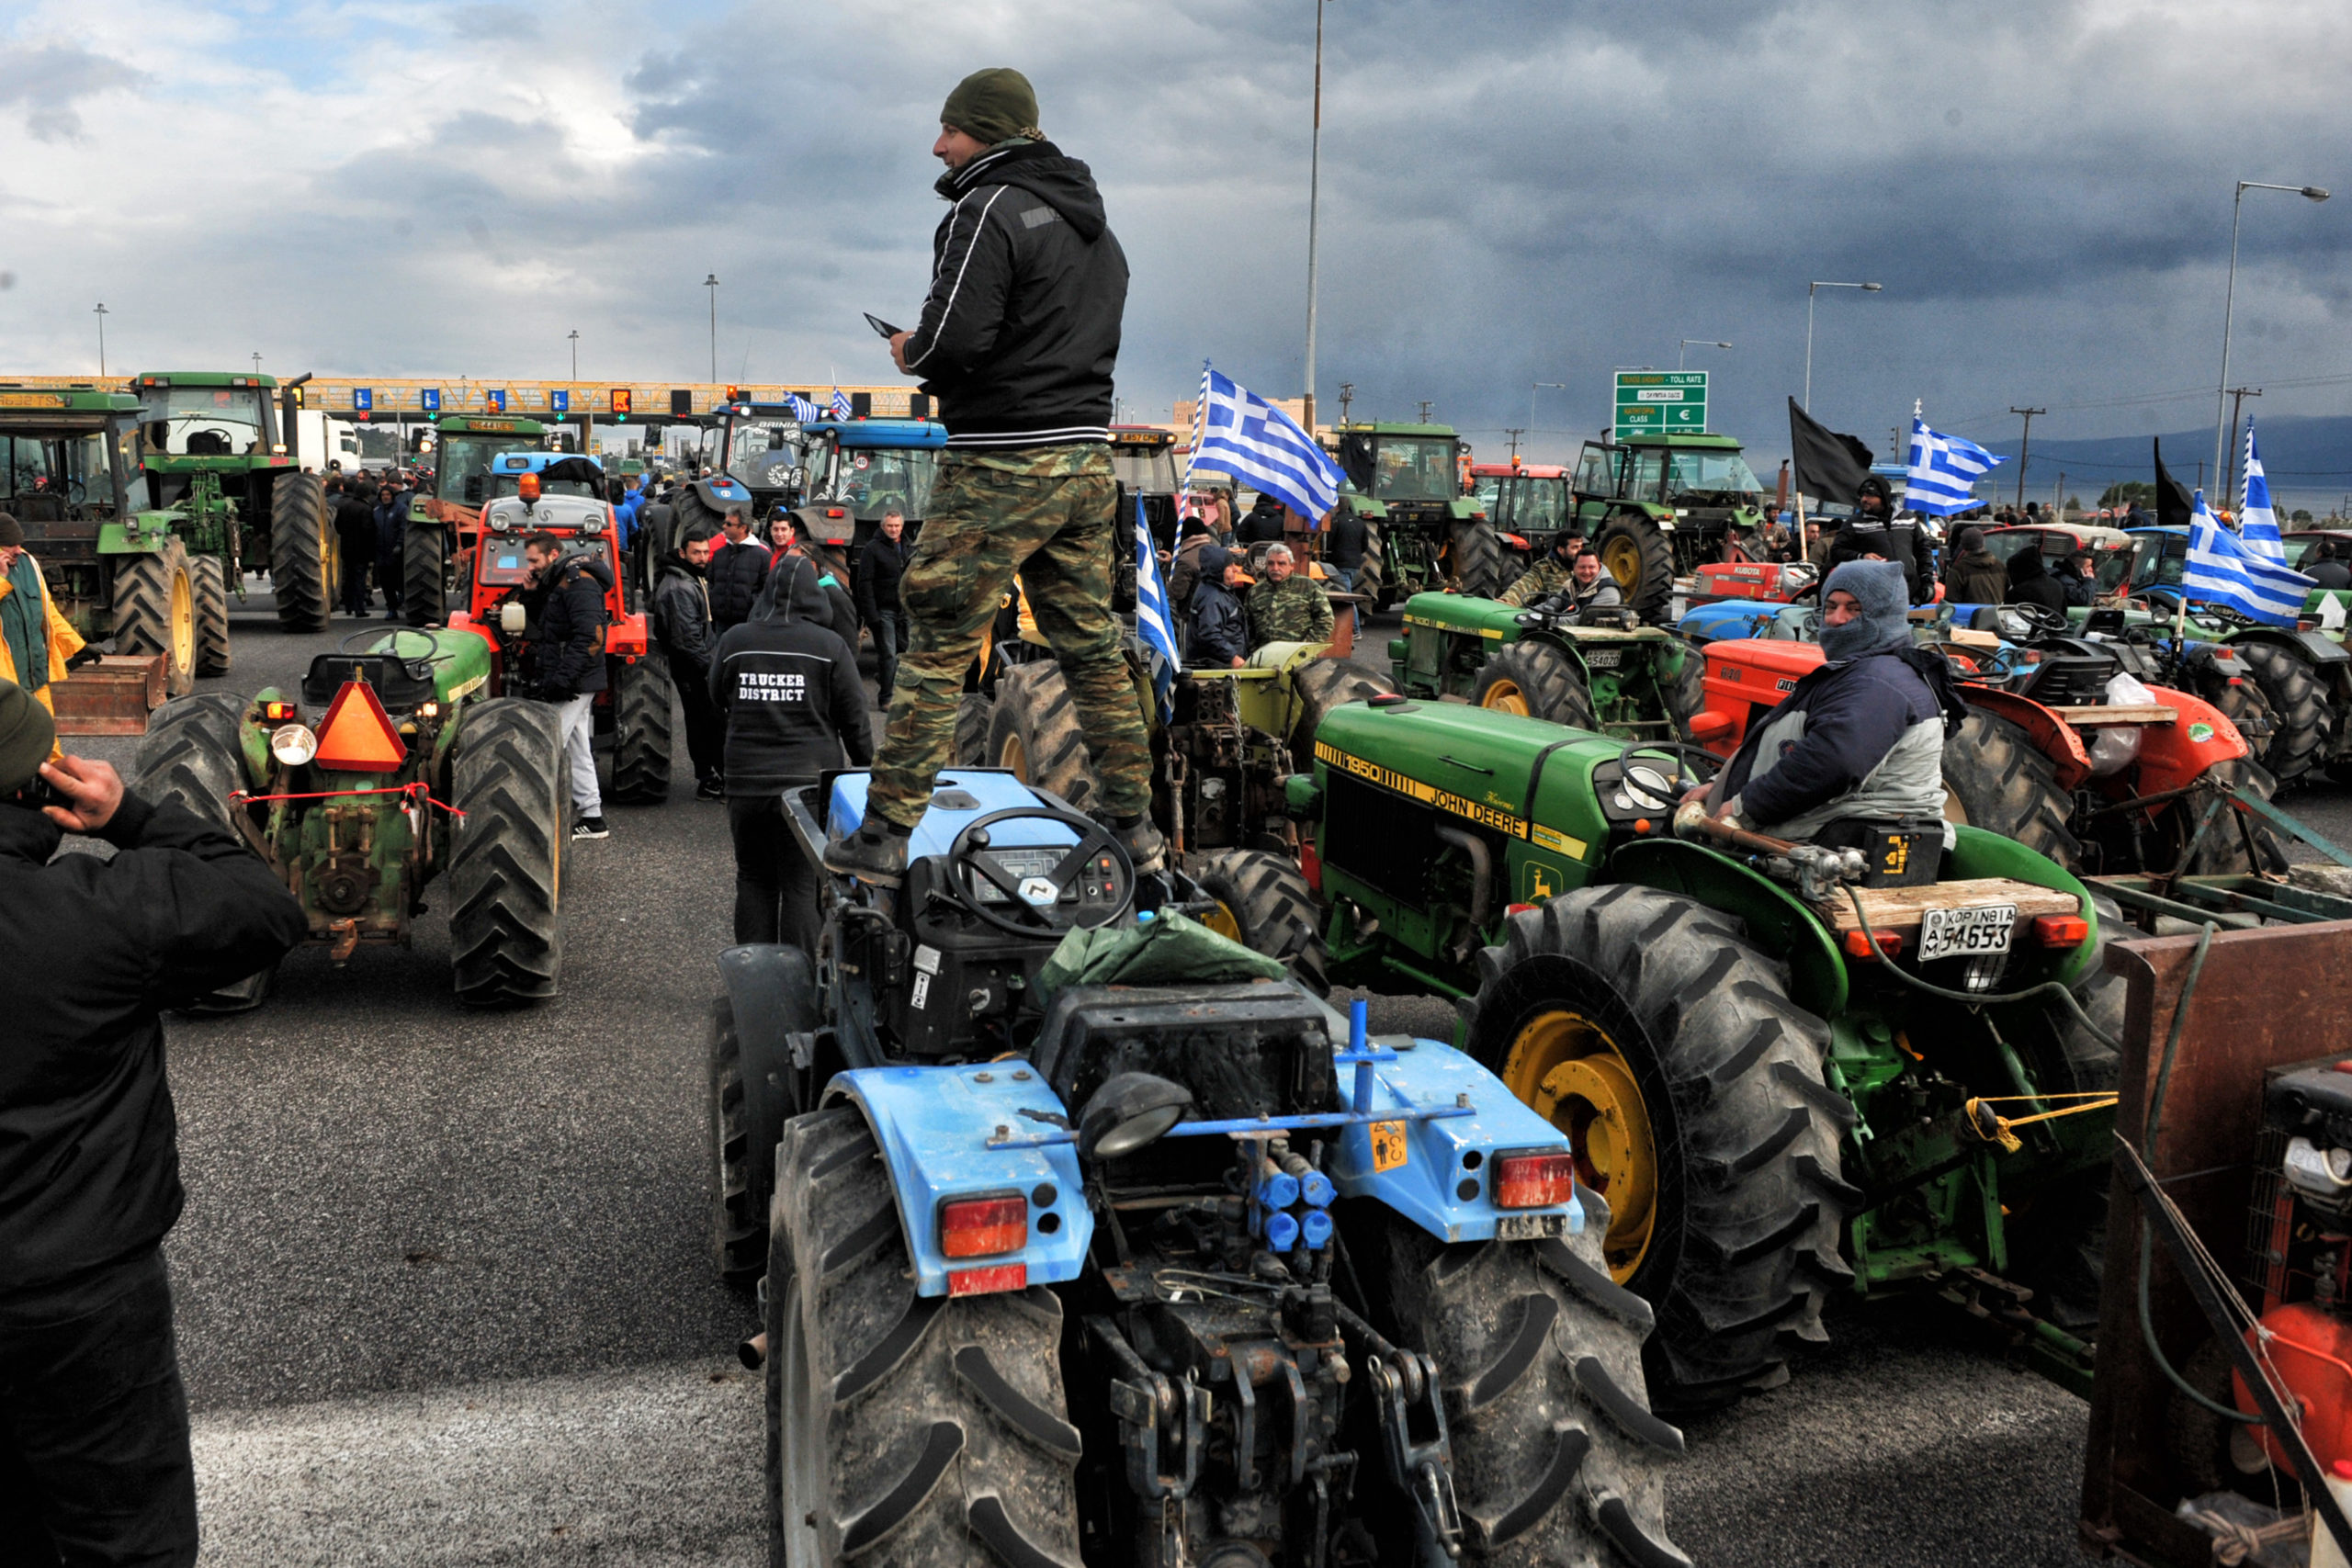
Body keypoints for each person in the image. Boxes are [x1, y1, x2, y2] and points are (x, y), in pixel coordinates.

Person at [0, 680, 307, 1566]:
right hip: (82, 1304)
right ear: (37, 791)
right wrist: (134, 815)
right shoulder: (99, 916)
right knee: (129, 1539)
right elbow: (265, 906)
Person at [829, 66, 1158, 885]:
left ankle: (882, 838)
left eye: (951, 130)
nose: (938, 146)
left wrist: (909, 350)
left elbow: (954, 345)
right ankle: (1137, 824)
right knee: (1091, 652)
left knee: (936, 644)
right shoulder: (1101, 235)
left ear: (991, 131)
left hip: (1003, 461)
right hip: (1087, 462)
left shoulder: (986, 211)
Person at [1695, 559, 1963, 843]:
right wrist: (1719, 787)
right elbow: (1789, 750)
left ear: (1885, 616)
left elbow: (1830, 764)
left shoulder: (1878, 682)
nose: (1836, 619)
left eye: (1854, 608)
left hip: (1834, 847)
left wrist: (1744, 808)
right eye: (1831, 607)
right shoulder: (1856, 673)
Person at [710, 555, 874, 953]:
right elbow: (855, 718)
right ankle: (799, 982)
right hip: (806, 785)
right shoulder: (829, 645)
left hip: (746, 781)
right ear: (813, 596)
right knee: (802, 884)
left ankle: (752, 980)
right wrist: (866, 767)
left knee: (753, 877)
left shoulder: (735, 640)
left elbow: (716, 697)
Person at [519, 531, 612, 840]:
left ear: (553, 555)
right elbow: (550, 626)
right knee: (576, 746)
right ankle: (592, 817)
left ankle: (531, 820)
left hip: (574, 679)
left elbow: (590, 636)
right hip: (572, 676)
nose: (530, 565)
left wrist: (563, 680)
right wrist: (531, 593)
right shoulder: (558, 582)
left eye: (534, 560)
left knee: (547, 744)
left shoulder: (578, 583)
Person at [653, 525, 726, 800]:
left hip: (698, 664)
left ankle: (713, 775)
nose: (703, 557)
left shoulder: (691, 578)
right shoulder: (680, 587)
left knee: (707, 721)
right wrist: (710, 669)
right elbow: (687, 639)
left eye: (706, 552)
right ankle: (708, 779)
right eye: (696, 553)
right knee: (704, 722)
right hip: (693, 668)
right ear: (683, 553)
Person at [0, 514, 93, 723]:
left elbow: (46, 612)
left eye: (19, 544)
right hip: (6, 681)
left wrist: (78, 645)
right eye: (9, 545)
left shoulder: (28, 563)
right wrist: (2, 579)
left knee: (44, 733)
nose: (17, 550)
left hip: (35, 673)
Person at [1828, 478, 1930, 601]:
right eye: (1862, 495)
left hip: (1908, 589)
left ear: (1883, 497)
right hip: (1873, 592)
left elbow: (1923, 549)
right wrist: (1862, 557)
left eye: (1870, 495)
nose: (1864, 499)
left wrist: (1926, 578)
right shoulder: (1854, 523)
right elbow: (1836, 552)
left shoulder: (1908, 518)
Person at [856, 509, 910, 701]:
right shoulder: (872, 549)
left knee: (906, 654)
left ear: (902, 527)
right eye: (890, 526)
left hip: (905, 610)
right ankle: (887, 697)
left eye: (896, 526)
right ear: (882, 526)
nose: (893, 529)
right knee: (888, 654)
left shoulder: (908, 547)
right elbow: (864, 583)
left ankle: (892, 683)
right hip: (884, 610)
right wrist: (871, 615)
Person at [1244, 542, 1333, 649]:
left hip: (1299, 657)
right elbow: (1246, 625)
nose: (1275, 568)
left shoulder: (1308, 587)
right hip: (1264, 657)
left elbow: (1326, 621)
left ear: (1291, 566)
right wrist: (1254, 650)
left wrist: (1305, 647)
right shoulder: (1256, 591)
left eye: (1281, 563)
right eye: (1271, 563)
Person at [706, 509, 771, 635]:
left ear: (743, 528)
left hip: (748, 622)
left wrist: (752, 604)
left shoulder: (762, 556)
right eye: (724, 523)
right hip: (721, 622)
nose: (724, 526)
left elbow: (766, 588)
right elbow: (711, 582)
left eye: (729, 524)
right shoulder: (720, 554)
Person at [1187, 546, 1250, 667]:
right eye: (1230, 566)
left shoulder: (1217, 589)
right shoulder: (1213, 598)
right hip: (1217, 667)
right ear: (1218, 570)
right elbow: (1209, 634)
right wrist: (1232, 656)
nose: (1236, 570)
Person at [1498, 531, 1585, 607]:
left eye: (1581, 547)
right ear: (1561, 550)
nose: (1580, 551)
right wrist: (1507, 601)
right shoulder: (1544, 569)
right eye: (1575, 547)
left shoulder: (1587, 567)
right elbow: (1525, 585)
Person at [332, 477, 378, 615]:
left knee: (349, 577)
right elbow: (368, 530)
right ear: (367, 494)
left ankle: (348, 606)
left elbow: (337, 526)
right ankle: (359, 608)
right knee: (360, 579)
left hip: (346, 547)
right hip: (361, 549)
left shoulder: (345, 507)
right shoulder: (366, 509)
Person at [1940, 525, 2008, 604]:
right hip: (1995, 614)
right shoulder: (2000, 566)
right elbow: (2006, 594)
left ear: (1963, 546)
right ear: (1984, 543)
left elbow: (1951, 602)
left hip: (1968, 615)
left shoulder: (1958, 570)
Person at [372, 472, 408, 620]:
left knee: (399, 580)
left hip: (396, 552)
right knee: (386, 583)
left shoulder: (401, 509)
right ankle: (391, 607)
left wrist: (399, 544)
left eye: (388, 494)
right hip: (381, 552)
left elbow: (403, 528)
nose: (385, 497)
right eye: (383, 494)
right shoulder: (377, 511)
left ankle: (403, 599)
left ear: (392, 495)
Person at [1167, 516, 1216, 612]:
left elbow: (1177, 593)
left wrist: (1167, 585)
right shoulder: (1218, 554)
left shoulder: (1186, 561)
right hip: (1216, 610)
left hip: (1193, 614)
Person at [2004, 546, 2068, 615]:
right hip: (2055, 624)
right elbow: (2063, 612)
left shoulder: (2018, 592)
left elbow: (2009, 617)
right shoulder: (2056, 584)